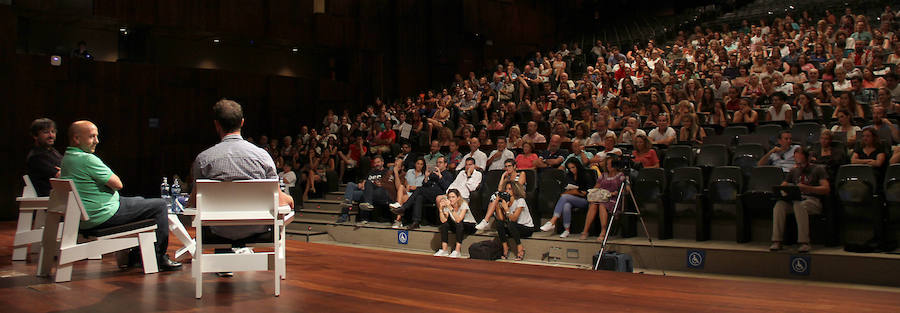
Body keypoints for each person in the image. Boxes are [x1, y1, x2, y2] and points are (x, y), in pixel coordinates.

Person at [188, 99, 295, 275]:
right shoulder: (262, 157)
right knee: (287, 204)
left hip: (217, 232)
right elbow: (278, 197)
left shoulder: (203, 159)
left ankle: (224, 258)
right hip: (257, 230)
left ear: (216, 125)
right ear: (242, 122)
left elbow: (193, 204)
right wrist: (289, 198)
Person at [61, 120, 181, 271]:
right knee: (159, 205)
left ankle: (138, 254)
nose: (97, 141)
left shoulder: (67, 158)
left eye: (97, 136)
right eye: (92, 137)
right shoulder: (87, 159)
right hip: (102, 215)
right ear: (77, 139)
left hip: (85, 217)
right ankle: (158, 257)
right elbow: (118, 184)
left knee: (140, 201)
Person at [769, 147, 830, 253]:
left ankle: (804, 242)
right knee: (780, 205)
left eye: (801, 163)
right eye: (797, 162)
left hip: (813, 200)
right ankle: (777, 240)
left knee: (799, 204)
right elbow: (784, 186)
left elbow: (826, 189)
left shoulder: (818, 169)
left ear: (807, 159)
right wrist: (784, 191)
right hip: (796, 200)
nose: (799, 165)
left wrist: (808, 188)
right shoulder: (794, 170)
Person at [391, 156, 454, 230]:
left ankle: (404, 207)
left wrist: (440, 176)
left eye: (440, 162)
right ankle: (416, 222)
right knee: (419, 197)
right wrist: (426, 177)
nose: (438, 164)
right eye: (437, 162)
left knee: (419, 189)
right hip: (429, 194)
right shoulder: (433, 174)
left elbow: (447, 188)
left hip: (439, 195)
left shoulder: (448, 175)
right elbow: (425, 185)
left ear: (445, 164)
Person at [539, 159, 595, 238]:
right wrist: (571, 191)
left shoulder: (586, 175)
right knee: (566, 205)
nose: (572, 170)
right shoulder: (569, 176)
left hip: (585, 200)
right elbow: (563, 191)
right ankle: (566, 230)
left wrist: (575, 192)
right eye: (570, 168)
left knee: (565, 197)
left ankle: (552, 221)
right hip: (571, 198)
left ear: (577, 166)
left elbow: (587, 192)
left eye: (573, 167)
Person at [337, 155, 394, 224]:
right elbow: (364, 182)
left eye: (378, 162)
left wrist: (371, 184)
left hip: (379, 193)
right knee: (350, 185)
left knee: (367, 186)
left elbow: (387, 184)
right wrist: (361, 184)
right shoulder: (371, 172)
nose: (376, 164)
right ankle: (345, 213)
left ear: (382, 162)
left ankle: (365, 217)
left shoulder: (386, 172)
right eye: (375, 163)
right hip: (366, 191)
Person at [581, 155, 627, 240]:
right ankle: (585, 230)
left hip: (613, 199)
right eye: (607, 164)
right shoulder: (603, 175)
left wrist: (615, 193)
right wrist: (595, 192)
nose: (608, 166)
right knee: (594, 204)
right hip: (602, 196)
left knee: (602, 205)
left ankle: (603, 231)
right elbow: (596, 186)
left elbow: (626, 190)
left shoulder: (621, 175)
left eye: (610, 164)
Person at [476, 159, 527, 230]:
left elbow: (517, 188)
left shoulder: (521, 174)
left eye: (509, 166)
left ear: (514, 166)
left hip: (517, 196)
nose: (507, 168)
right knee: (495, 197)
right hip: (508, 196)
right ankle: (491, 222)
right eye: (506, 166)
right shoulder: (507, 177)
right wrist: (503, 176)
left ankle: (486, 220)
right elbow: (500, 189)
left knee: (496, 196)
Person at [492, 181, 533, 261]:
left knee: (511, 224)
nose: (507, 191)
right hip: (514, 228)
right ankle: (505, 247)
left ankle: (520, 247)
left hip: (526, 228)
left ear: (514, 190)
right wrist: (498, 205)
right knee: (499, 223)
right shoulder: (506, 202)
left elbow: (514, 218)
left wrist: (506, 209)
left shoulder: (520, 201)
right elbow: (501, 219)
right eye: (506, 189)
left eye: (510, 189)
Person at [433, 189, 477, 258]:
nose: (451, 199)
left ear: (458, 198)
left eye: (453, 197)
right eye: (449, 197)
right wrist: (441, 209)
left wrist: (450, 208)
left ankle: (457, 250)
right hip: (456, 224)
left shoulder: (463, 204)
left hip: (469, 225)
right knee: (444, 225)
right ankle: (444, 249)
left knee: (459, 224)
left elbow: (459, 219)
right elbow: (443, 220)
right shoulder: (448, 205)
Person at [26, 118, 62, 197]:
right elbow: (61, 176)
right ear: (35, 135)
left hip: (61, 196)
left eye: (53, 132)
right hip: (50, 199)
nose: (51, 135)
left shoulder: (53, 152)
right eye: (46, 132)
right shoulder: (36, 157)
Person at [390, 157, 426, 228]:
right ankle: (398, 205)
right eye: (418, 163)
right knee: (401, 187)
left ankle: (398, 220)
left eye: (421, 164)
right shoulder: (410, 172)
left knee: (403, 198)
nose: (419, 166)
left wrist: (416, 188)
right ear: (415, 164)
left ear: (423, 166)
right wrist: (407, 186)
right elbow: (405, 184)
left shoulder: (424, 175)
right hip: (407, 192)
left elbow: (424, 188)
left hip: (415, 195)